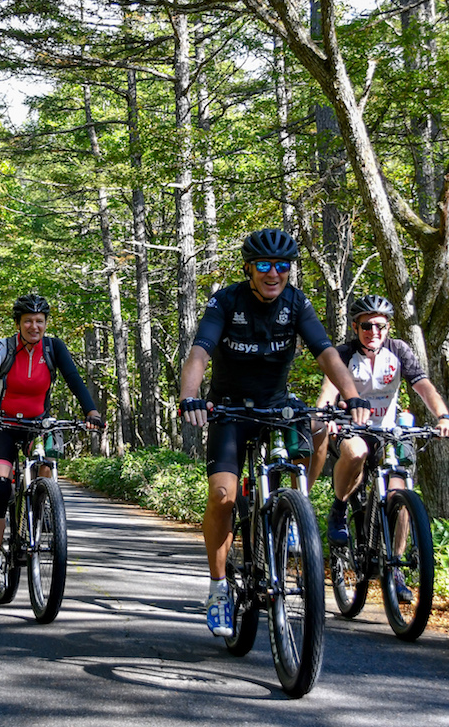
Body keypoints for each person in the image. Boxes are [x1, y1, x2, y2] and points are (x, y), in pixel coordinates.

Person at [178, 229, 370, 637]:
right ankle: (217, 589)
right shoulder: (226, 301)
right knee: (222, 496)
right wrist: (190, 396)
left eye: (282, 266)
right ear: (248, 268)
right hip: (229, 408)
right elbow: (200, 351)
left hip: (276, 404)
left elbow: (326, 353)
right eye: (264, 265)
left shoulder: (296, 302)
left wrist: (352, 396)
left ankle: (292, 511)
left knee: (317, 429)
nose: (274, 274)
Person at [315, 293, 449, 601]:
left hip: (388, 429)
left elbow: (424, 386)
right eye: (367, 326)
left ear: (388, 327)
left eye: (380, 326)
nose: (374, 333)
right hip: (350, 427)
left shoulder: (399, 352)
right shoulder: (343, 354)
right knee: (357, 453)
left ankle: (394, 568)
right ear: (355, 327)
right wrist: (324, 416)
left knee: (401, 492)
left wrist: (444, 417)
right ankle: (339, 509)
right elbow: (328, 391)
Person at [0, 294, 104, 587]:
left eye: (39, 321)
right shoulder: (3, 347)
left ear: (45, 323)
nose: (34, 326)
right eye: (28, 320)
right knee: (0, 489)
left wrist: (91, 411)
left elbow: (74, 379)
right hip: (1, 423)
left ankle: (42, 513)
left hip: (38, 423)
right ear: (18, 323)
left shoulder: (54, 348)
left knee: (47, 467)